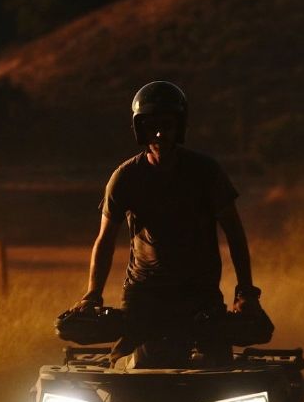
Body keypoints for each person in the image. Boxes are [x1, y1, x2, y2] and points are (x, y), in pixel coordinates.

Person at [71, 80, 264, 368]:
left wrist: (246, 292)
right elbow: (105, 240)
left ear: (180, 127)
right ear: (140, 129)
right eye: (152, 126)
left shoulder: (206, 172)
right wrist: (92, 295)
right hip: (144, 295)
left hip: (200, 294)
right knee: (128, 370)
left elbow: (234, 233)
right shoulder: (125, 177)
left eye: (168, 125)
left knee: (216, 372)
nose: (161, 133)